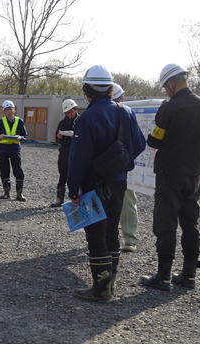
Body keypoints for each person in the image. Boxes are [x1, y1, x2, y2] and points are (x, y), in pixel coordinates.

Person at [67, 65, 145, 302]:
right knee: (112, 231)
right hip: (119, 183)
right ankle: (110, 283)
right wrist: (122, 163)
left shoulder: (86, 118)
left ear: (86, 89)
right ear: (110, 88)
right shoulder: (126, 112)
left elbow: (78, 159)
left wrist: (73, 189)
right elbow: (140, 144)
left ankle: (101, 289)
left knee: (95, 235)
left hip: (93, 186)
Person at [141, 64, 200, 291]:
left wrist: (162, 113)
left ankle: (163, 277)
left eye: (165, 87)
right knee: (191, 224)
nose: (166, 92)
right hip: (194, 174)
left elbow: (154, 141)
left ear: (171, 84)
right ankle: (189, 275)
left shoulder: (169, 109)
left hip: (169, 174)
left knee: (166, 224)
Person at [111, 84, 139, 252]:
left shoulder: (98, 114)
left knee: (106, 201)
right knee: (127, 202)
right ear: (120, 98)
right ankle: (129, 239)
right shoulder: (128, 114)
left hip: (105, 169)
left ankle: (108, 239)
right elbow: (139, 143)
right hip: (123, 168)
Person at [0, 100, 28, 201]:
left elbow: (25, 136)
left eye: (10, 109)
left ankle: (19, 194)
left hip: (15, 149)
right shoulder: (0, 122)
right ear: (4, 111)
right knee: (4, 170)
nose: (9, 111)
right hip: (3, 150)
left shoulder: (19, 121)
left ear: (14, 110)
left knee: (18, 170)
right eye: (7, 110)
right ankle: (6, 193)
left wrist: (20, 137)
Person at [50, 99, 80, 207]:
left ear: (75, 109)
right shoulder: (62, 123)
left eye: (71, 111)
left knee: (77, 177)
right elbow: (56, 138)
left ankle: (77, 200)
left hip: (77, 153)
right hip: (64, 153)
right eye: (67, 112)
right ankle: (59, 199)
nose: (69, 114)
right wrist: (59, 136)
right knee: (62, 176)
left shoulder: (81, 121)